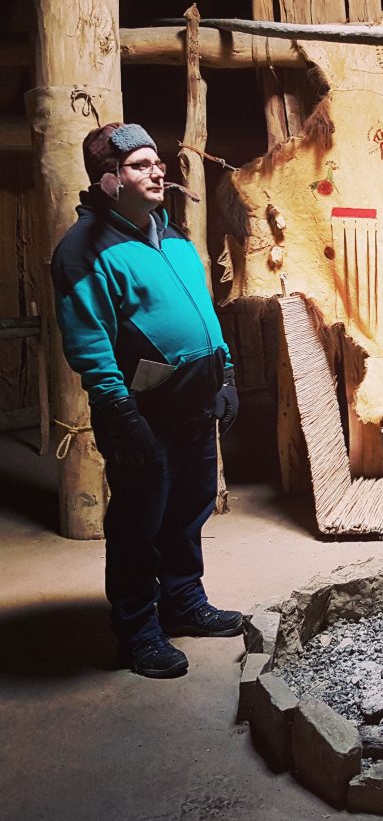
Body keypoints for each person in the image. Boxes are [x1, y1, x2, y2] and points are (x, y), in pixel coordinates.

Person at [51, 123, 243, 680]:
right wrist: (119, 413)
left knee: (188, 510)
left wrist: (226, 372)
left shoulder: (171, 234)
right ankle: (137, 632)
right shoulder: (83, 251)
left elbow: (202, 310)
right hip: (143, 412)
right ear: (108, 180)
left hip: (194, 403)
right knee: (139, 522)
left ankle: (182, 602)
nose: (158, 172)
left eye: (157, 161)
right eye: (140, 165)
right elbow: (88, 341)